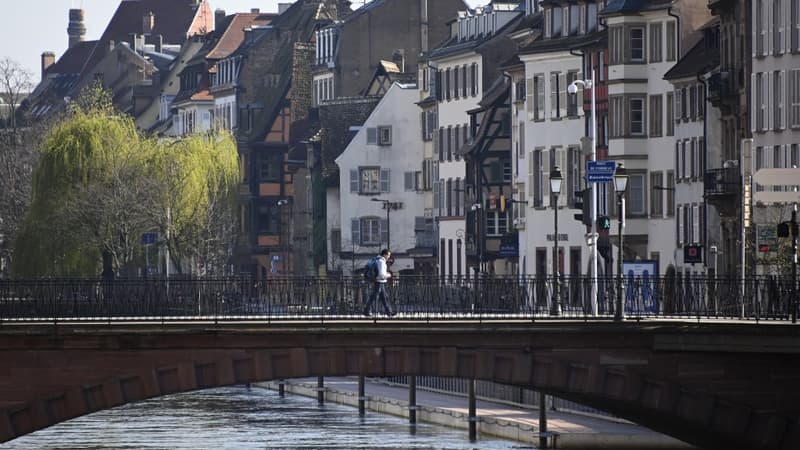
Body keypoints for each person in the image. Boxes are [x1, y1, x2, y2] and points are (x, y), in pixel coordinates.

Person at [363, 248, 394, 317]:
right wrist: (389, 275)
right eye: (388, 255)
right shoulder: (381, 261)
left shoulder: (377, 260)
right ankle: (366, 310)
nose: (389, 257)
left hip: (378, 281)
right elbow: (381, 275)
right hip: (379, 281)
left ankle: (389, 312)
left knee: (384, 297)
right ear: (385, 255)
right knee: (374, 297)